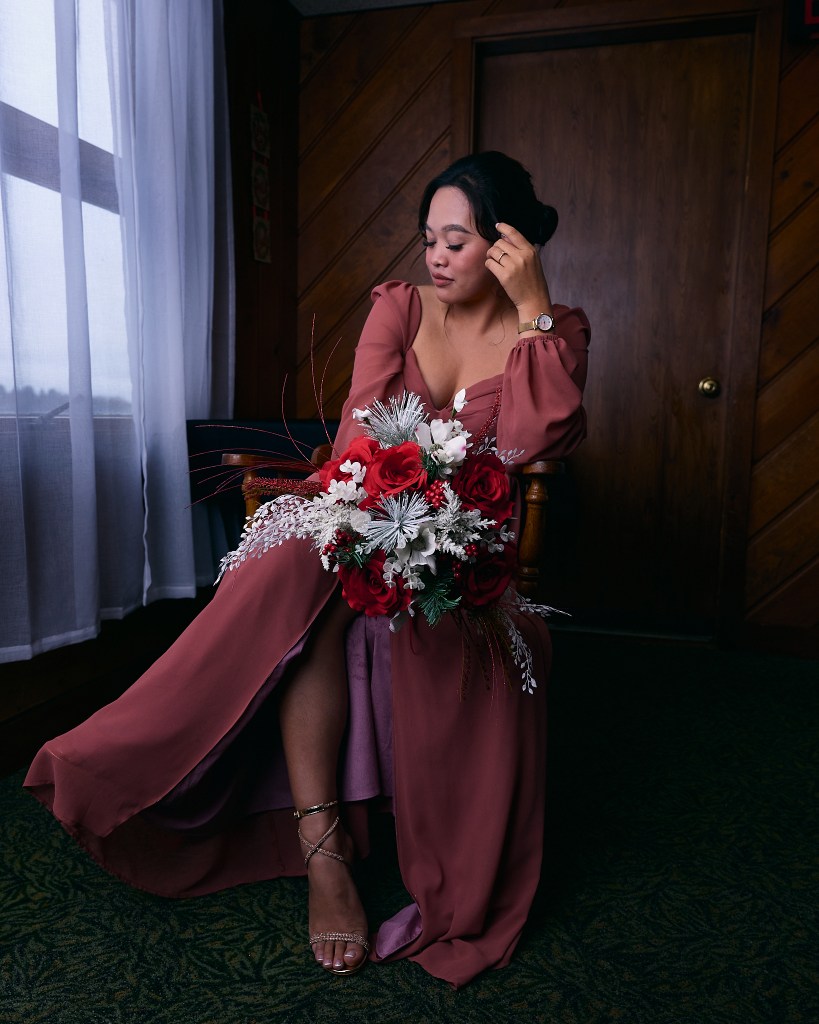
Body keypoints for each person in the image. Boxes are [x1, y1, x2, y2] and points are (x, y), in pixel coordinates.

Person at [24, 151, 590, 989]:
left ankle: (407, 857)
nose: (435, 257)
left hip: (463, 541)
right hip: (359, 506)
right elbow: (361, 440)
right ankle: (313, 852)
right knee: (304, 559)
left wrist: (534, 313)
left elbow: (527, 445)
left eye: (459, 240)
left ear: (507, 244)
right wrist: (380, 522)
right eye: (427, 238)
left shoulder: (558, 330)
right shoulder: (397, 309)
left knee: (372, 603)